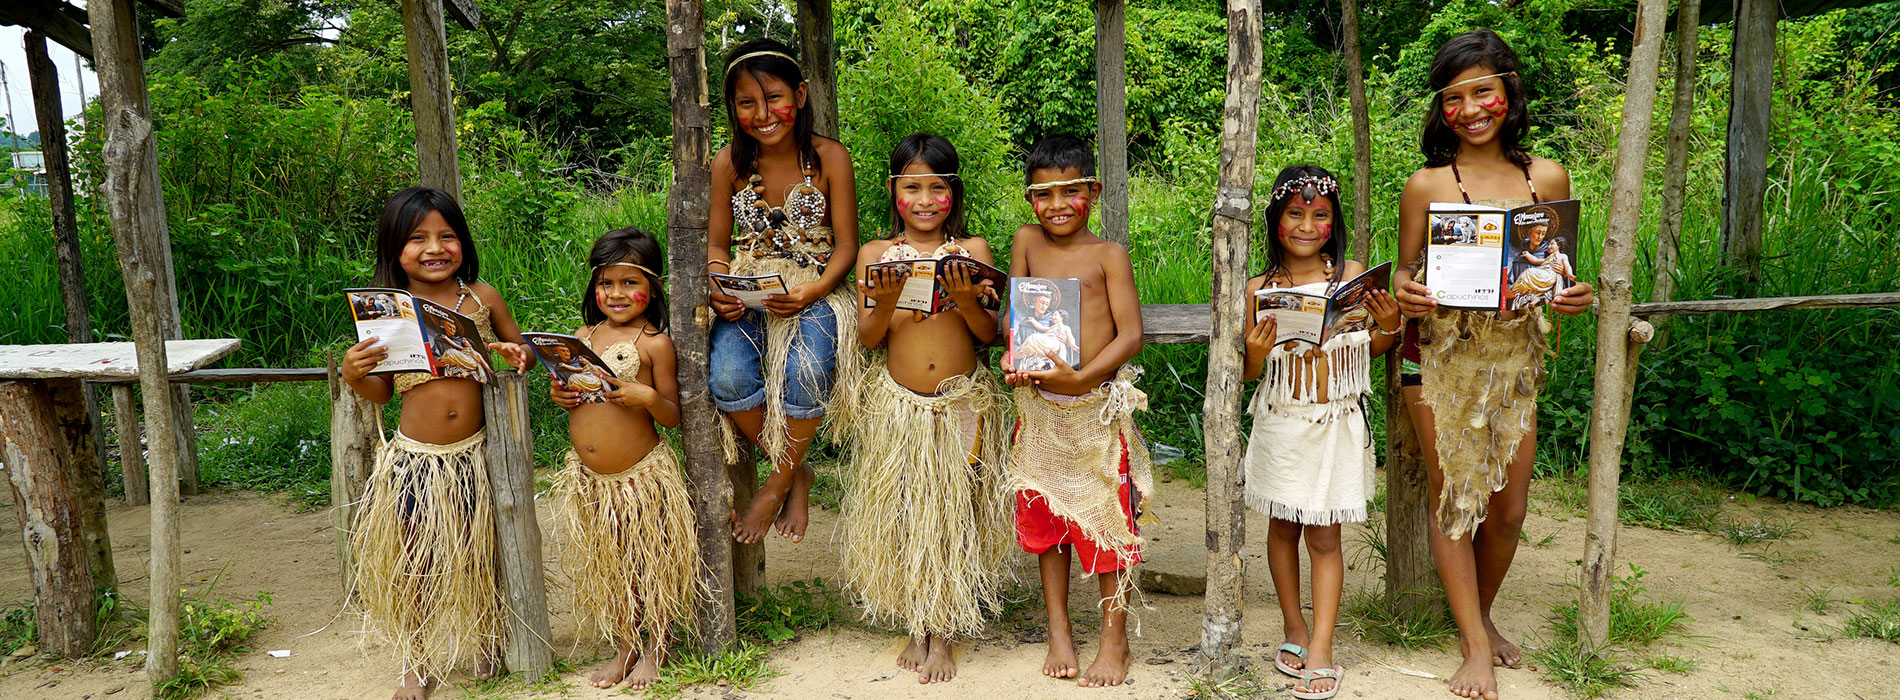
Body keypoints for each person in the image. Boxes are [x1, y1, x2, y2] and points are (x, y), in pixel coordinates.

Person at [1391, 29, 1597, 700]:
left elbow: (1559, 271)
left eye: (1484, 91)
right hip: (1439, 361)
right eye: (1454, 97)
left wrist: (1572, 295)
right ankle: (1475, 645)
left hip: (1513, 362)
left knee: (1507, 510)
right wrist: (1406, 290)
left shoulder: (1548, 177)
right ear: (1439, 107)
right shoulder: (1426, 184)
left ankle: (1478, 614)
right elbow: (1404, 275)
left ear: (1508, 89)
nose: (1471, 109)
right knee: (1456, 501)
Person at [339, 186, 533, 700]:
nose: (434, 247)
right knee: (416, 561)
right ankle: (417, 661)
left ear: (463, 243)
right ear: (393, 248)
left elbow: (523, 349)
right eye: (417, 238)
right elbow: (379, 391)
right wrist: (354, 373)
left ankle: (489, 640)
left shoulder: (481, 298)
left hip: (479, 454)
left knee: (481, 550)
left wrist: (519, 354)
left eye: (447, 236)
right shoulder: (386, 311)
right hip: (416, 458)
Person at [845, 134, 1013, 684]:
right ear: (893, 191)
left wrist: (964, 296)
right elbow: (870, 338)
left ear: (953, 191)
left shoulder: (975, 250)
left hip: (962, 402)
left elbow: (987, 332)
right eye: (911, 186)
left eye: (936, 187)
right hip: (902, 408)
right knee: (911, 513)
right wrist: (890, 297)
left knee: (951, 511)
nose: (923, 199)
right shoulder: (876, 256)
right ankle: (919, 621)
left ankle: (942, 632)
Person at [1241, 165, 1402, 700]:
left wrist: (1387, 325)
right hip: (1283, 419)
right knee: (1283, 529)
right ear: (1275, 220)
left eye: (1320, 215)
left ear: (1333, 223)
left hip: (1336, 419)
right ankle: (1294, 627)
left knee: (1326, 536)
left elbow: (1374, 350)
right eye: (1295, 214)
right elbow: (1243, 372)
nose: (1307, 225)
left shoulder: (1352, 275)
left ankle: (1324, 648)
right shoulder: (1258, 288)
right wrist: (1256, 354)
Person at [1003, 134, 1149, 688]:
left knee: (1109, 524)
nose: (1057, 205)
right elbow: (1020, 322)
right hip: (1039, 413)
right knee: (1048, 521)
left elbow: (1130, 334)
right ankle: (1058, 629)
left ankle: (1115, 638)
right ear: (1030, 199)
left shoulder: (1108, 255)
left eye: (1071, 191)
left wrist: (1085, 376)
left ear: (1095, 190)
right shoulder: (1025, 242)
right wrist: (1016, 360)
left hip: (1095, 412)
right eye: (1043, 195)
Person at [706, 37, 862, 545]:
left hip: (814, 289)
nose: (763, 113)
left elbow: (846, 246)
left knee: (808, 370)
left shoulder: (829, 158)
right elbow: (716, 246)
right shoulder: (728, 163)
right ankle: (796, 470)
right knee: (727, 378)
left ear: (799, 94)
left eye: (773, 97)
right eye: (746, 103)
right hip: (747, 289)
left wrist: (814, 289)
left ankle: (775, 485)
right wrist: (720, 288)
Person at [548, 227, 699, 690]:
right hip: (594, 481)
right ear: (594, 287)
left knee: (650, 562)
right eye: (606, 283)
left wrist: (648, 395)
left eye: (630, 283)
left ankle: (658, 647)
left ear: (652, 288)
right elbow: (574, 393)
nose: (617, 293)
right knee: (614, 565)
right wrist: (561, 394)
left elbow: (672, 415)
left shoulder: (654, 343)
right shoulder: (582, 335)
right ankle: (627, 644)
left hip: (641, 477)